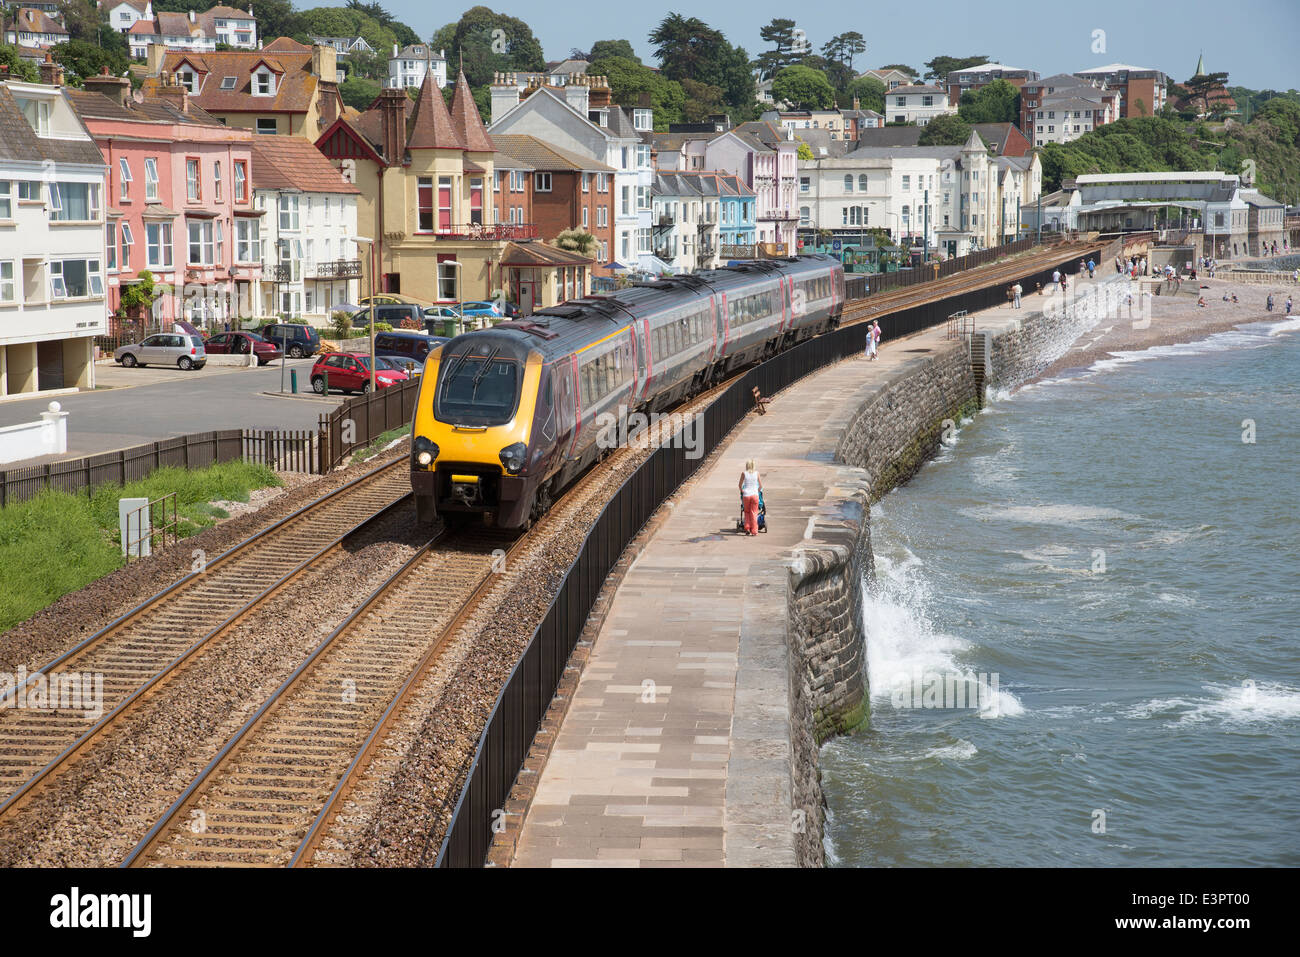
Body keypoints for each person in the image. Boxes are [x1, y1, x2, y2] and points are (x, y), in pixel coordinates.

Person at [739, 460, 762, 536]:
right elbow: (760, 486)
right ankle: (754, 530)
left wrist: (742, 491)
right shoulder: (757, 473)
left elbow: (740, 485)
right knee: (754, 513)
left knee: (747, 512)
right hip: (755, 495)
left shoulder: (744, 473)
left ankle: (747, 528)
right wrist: (757, 491)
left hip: (746, 495)